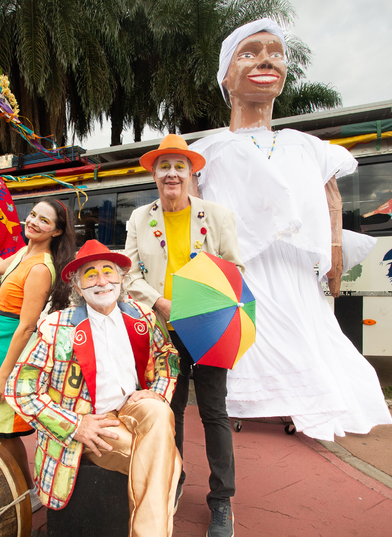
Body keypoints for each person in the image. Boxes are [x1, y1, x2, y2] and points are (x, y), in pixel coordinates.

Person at [188, 18, 392, 441]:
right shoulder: (205, 152)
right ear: (226, 75)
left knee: (308, 341)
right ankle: (244, 408)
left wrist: (335, 257)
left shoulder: (307, 146)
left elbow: (332, 200)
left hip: (296, 272)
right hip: (241, 272)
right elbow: (192, 215)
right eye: (250, 52)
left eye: (276, 52)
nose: (267, 59)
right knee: (249, 347)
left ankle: (303, 407)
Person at [5, 240, 181, 537]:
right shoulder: (57, 327)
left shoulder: (142, 316)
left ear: (121, 277)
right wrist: (76, 425)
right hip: (92, 422)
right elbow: (19, 389)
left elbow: (168, 358)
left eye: (108, 272)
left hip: (133, 408)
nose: (102, 281)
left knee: (159, 410)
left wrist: (159, 392)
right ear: (77, 283)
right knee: (168, 462)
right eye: (91, 274)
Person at [123, 134, 244, 537]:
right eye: (164, 166)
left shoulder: (217, 215)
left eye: (180, 166)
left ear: (191, 173)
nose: (172, 173)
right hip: (162, 332)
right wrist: (159, 303)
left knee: (214, 413)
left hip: (208, 330)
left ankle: (222, 500)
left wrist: (204, 300)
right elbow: (128, 273)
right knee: (168, 414)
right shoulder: (140, 218)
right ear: (154, 174)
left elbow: (234, 267)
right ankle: (171, 482)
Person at [0, 198, 76, 512]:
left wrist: (3, 378)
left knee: (1, 432)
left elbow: (27, 325)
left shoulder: (42, 267)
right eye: (32, 215)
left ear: (56, 231)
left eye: (44, 220)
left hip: (10, 355)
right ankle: (22, 487)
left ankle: (29, 490)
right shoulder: (24, 253)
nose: (33, 222)